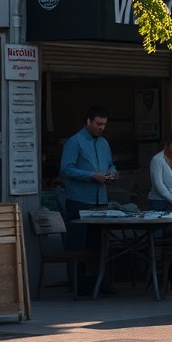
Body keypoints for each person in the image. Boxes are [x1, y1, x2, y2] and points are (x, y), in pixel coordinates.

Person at [60, 105, 119, 294]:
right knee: (78, 244)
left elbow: (111, 164)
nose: (101, 128)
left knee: (98, 244)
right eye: (98, 124)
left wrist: (112, 173)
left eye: (104, 125)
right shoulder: (74, 142)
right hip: (79, 200)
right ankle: (78, 285)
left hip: (100, 200)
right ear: (88, 121)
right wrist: (91, 175)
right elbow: (66, 169)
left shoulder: (104, 143)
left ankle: (98, 281)